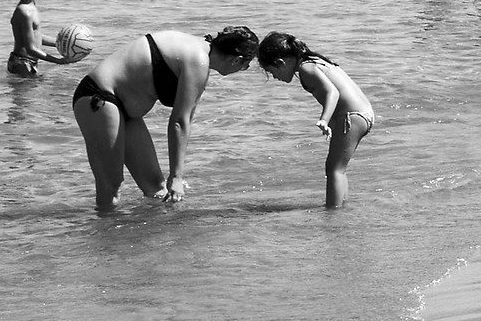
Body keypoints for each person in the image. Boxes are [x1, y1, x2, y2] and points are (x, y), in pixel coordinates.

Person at [71, 26, 262, 212]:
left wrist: (174, 177)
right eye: (246, 65)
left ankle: (153, 238)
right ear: (237, 60)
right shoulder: (198, 59)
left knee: (156, 188)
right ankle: (104, 240)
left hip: (125, 111)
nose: (244, 69)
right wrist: (177, 176)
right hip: (98, 98)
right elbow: (179, 122)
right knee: (111, 187)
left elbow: (183, 121)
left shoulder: (198, 52)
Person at [256, 33, 375, 208]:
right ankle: (341, 208)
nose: (275, 77)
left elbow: (332, 92)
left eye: (272, 72)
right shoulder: (314, 61)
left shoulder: (306, 68)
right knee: (337, 169)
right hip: (362, 114)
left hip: (352, 117)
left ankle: (333, 215)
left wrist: (324, 120)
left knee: (334, 170)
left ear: (281, 62)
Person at [7, 0, 77, 78]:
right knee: (28, 94)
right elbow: (31, 49)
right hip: (23, 63)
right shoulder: (25, 12)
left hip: (24, 62)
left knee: (34, 91)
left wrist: (61, 44)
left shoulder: (29, 9)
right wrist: (58, 61)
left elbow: (35, 37)